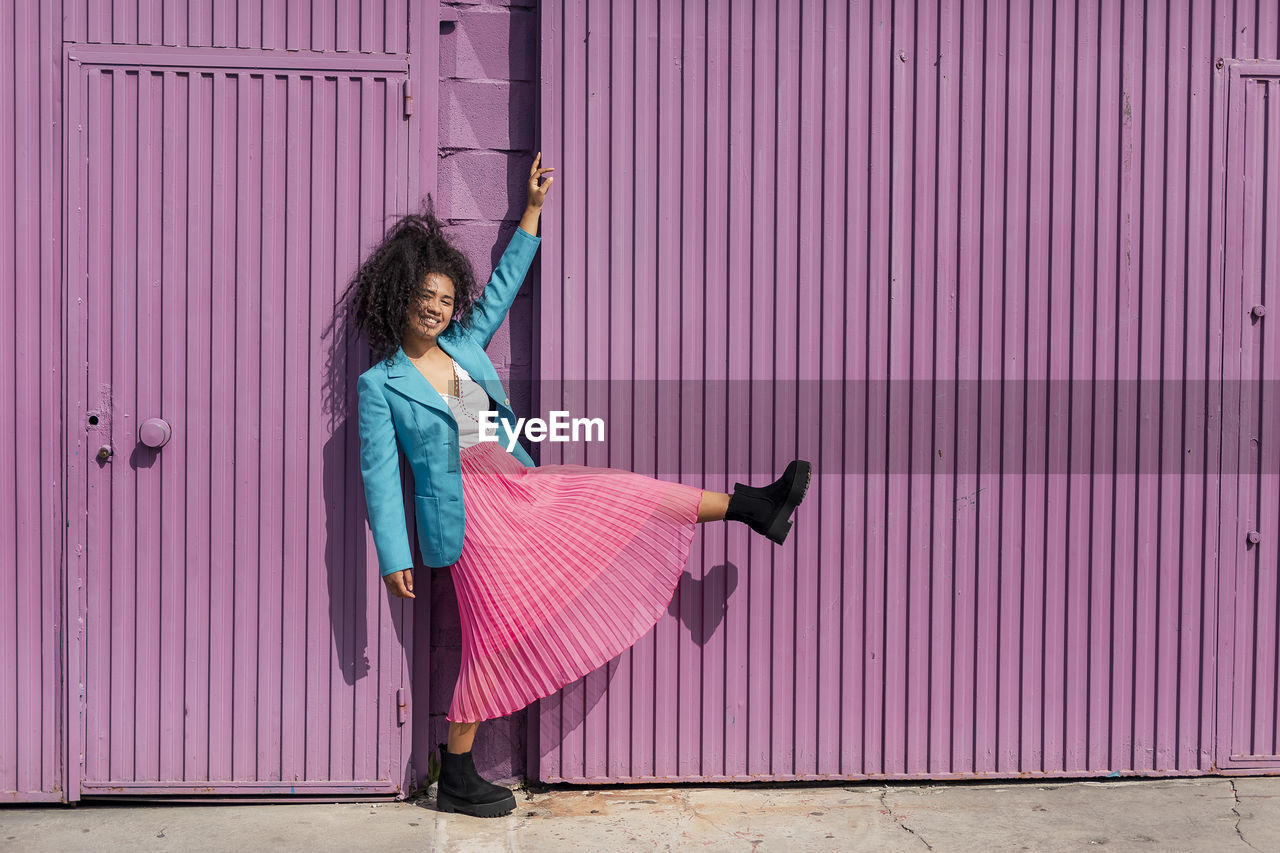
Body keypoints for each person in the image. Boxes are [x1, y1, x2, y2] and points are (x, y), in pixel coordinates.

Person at [340, 153, 811, 818]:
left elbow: (500, 288)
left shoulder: (464, 345)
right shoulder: (380, 383)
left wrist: (531, 211)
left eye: (447, 301)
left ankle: (752, 506)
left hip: (519, 488)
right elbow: (380, 475)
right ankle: (458, 771)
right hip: (469, 516)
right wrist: (394, 556)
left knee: (623, 492)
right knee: (493, 633)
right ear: (401, 300)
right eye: (428, 300)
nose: (440, 310)